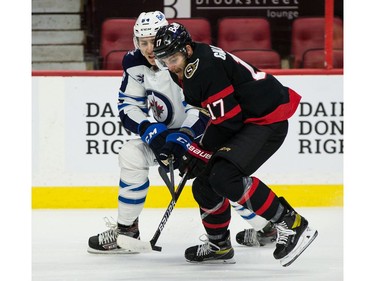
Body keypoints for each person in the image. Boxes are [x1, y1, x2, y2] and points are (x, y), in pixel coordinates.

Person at [153, 22, 318, 266]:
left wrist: (200, 152)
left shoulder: (203, 68)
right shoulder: (189, 65)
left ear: (187, 49)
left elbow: (228, 122)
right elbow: (213, 114)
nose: (170, 65)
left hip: (266, 120)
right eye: (164, 60)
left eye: (174, 58)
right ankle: (219, 246)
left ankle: (292, 224)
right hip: (247, 119)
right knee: (204, 186)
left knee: (224, 177)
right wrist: (194, 148)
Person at [87, 11, 210, 254]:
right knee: (132, 153)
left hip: (201, 135)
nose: (149, 48)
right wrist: (149, 129)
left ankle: (266, 226)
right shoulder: (135, 63)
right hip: (167, 138)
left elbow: (203, 108)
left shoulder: (186, 59)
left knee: (224, 174)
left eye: (154, 40)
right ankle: (126, 230)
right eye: (143, 42)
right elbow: (129, 106)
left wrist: (185, 136)